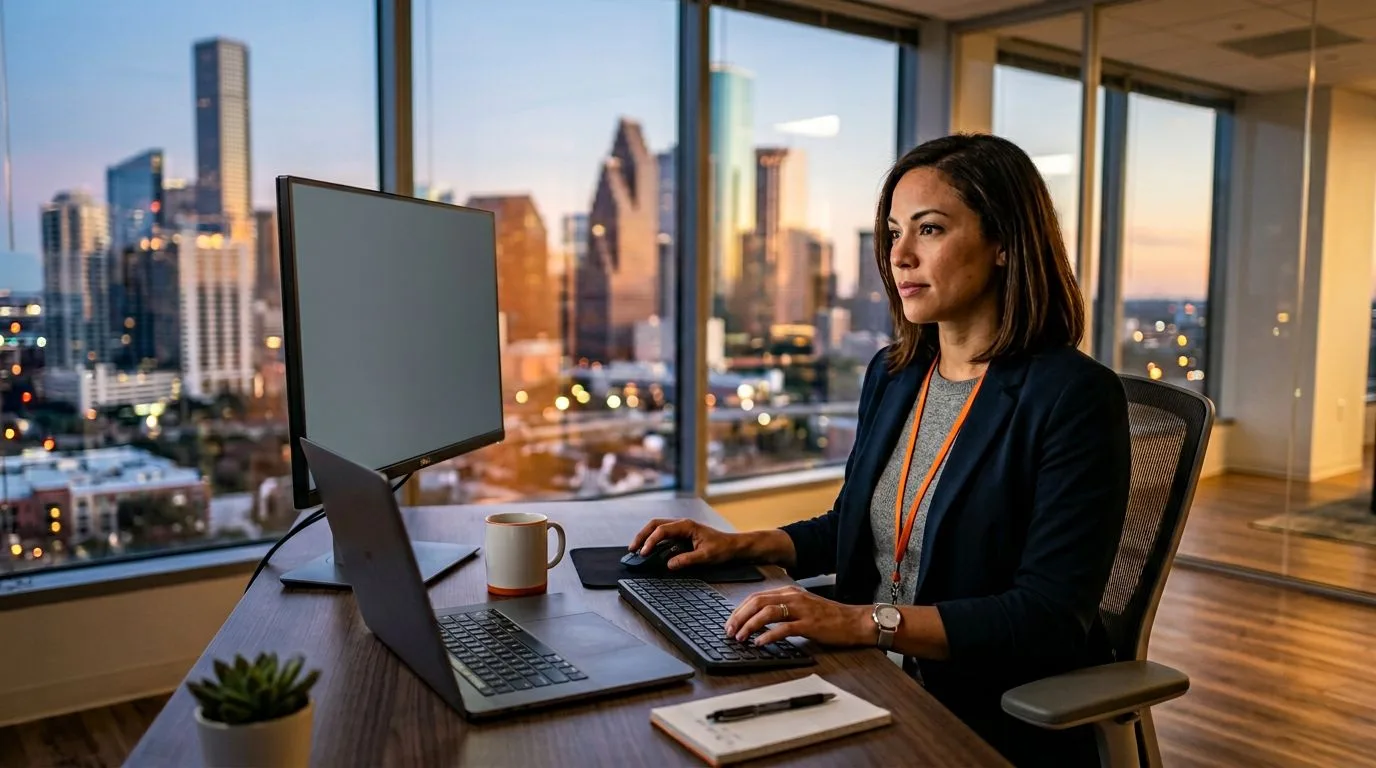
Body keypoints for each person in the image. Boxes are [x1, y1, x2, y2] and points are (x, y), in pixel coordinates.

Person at [630, 133, 1131, 767]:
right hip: (864, 678)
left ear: (1005, 242)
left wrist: (865, 622)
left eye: (929, 230)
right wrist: (739, 544)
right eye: (893, 232)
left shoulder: (1074, 397)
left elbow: (1046, 618)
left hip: (976, 710)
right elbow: (854, 525)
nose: (900, 256)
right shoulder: (896, 374)